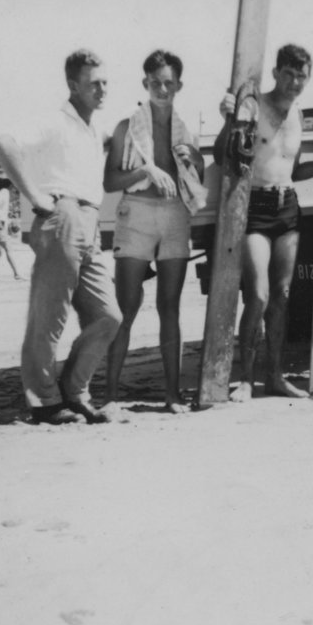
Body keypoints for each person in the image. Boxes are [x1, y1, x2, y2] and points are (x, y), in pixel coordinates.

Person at [0, 49, 122, 425]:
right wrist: (34, 196)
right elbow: (3, 144)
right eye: (94, 83)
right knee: (50, 317)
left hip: (91, 222)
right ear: (72, 85)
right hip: (61, 217)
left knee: (109, 316)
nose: (102, 89)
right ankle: (44, 401)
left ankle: (74, 389)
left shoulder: (95, 129)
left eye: (105, 82)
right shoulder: (54, 122)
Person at [214, 44, 313, 401]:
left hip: (287, 204)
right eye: (288, 73)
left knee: (283, 295)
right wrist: (227, 120)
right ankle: (246, 379)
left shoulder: (298, 114)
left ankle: (274, 377)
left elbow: (296, 167)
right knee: (258, 296)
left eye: (301, 76)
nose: (294, 81)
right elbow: (221, 155)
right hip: (254, 205)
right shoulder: (253, 105)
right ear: (276, 73)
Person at [103, 50, 206, 415]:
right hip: (137, 216)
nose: (162, 89)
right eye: (155, 82)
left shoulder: (183, 129)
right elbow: (110, 180)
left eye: (169, 83)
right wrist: (146, 173)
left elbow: (197, 179)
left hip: (176, 215)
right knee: (125, 309)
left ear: (179, 85)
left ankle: (172, 395)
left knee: (170, 308)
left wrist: (196, 160)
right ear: (144, 83)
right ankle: (111, 397)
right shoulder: (127, 127)